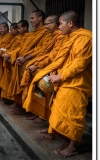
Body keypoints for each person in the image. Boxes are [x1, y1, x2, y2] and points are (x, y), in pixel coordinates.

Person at [41, 10, 91, 158]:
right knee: (61, 114)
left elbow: (79, 63)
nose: (59, 26)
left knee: (74, 116)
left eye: (61, 23)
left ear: (70, 23)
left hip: (77, 84)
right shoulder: (69, 38)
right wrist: (55, 72)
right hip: (65, 81)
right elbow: (62, 58)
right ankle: (66, 142)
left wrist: (60, 76)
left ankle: (73, 147)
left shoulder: (86, 38)